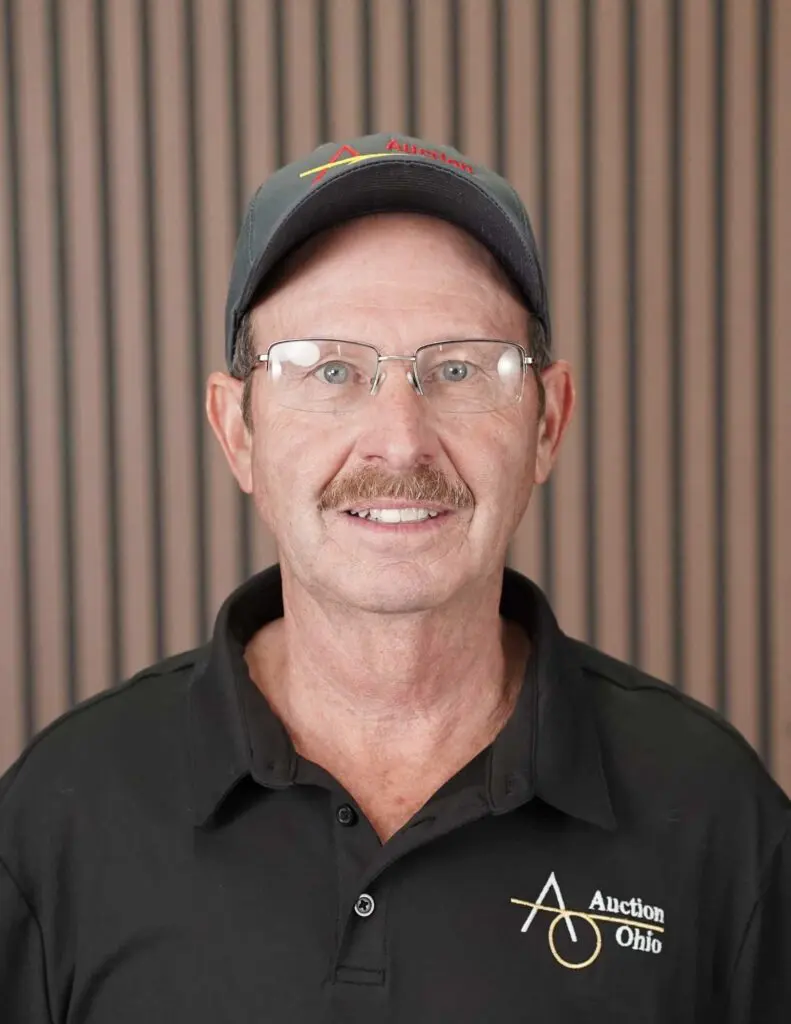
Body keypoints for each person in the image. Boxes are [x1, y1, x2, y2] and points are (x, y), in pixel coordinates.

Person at [0, 133, 788, 1023]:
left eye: (458, 369)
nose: (400, 440)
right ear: (238, 431)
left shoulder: (715, 817)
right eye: (329, 370)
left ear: (547, 421)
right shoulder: (62, 817)